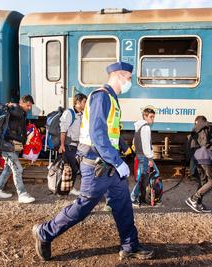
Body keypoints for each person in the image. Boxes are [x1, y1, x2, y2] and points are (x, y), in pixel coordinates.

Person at [32, 62, 154, 261]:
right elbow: (97, 134)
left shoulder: (111, 99)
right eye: (128, 78)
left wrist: (124, 149)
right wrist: (118, 161)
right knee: (83, 207)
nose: (130, 82)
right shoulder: (101, 96)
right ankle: (44, 232)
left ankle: (129, 245)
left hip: (109, 164)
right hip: (96, 164)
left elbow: (109, 132)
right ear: (118, 75)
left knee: (122, 204)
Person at [0, 95, 36, 204]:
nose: (29, 108)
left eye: (30, 106)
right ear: (21, 103)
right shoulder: (16, 111)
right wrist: (20, 138)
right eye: (28, 105)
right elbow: (10, 131)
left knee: (8, 169)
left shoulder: (17, 111)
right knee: (17, 169)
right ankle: (22, 194)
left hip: (10, 144)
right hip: (8, 145)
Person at [185, 116, 212, 213]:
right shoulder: (210, 126)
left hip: (196, 158)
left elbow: (190, 148)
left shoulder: (194, 129)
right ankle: (194, 198)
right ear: (205, 120)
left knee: (203, 181)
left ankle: (198, 203)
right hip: (207, 157)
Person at [58, 93, 87, 196]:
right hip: (68, 145)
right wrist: (62, 145)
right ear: (78, 102)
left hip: (76, 145)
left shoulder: (81, 114)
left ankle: (68, 188)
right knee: (72, 168)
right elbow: (63, 130)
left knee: (74, 168)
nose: (86, 104)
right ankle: (65, 189)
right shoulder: (69, 113)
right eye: (84, 102)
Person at [131, 108, 159, 206]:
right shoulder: (146, 128)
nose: (153, 119)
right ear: (145, 116)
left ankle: (143, 196)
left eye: (153, 117)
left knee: (144, 177)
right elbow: (146, 145)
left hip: (140, 155)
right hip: (145, 156)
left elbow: (134, 142)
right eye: (151, 117)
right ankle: (134, 197)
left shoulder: (138, 127)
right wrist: (150, 158)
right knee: (144, 177)